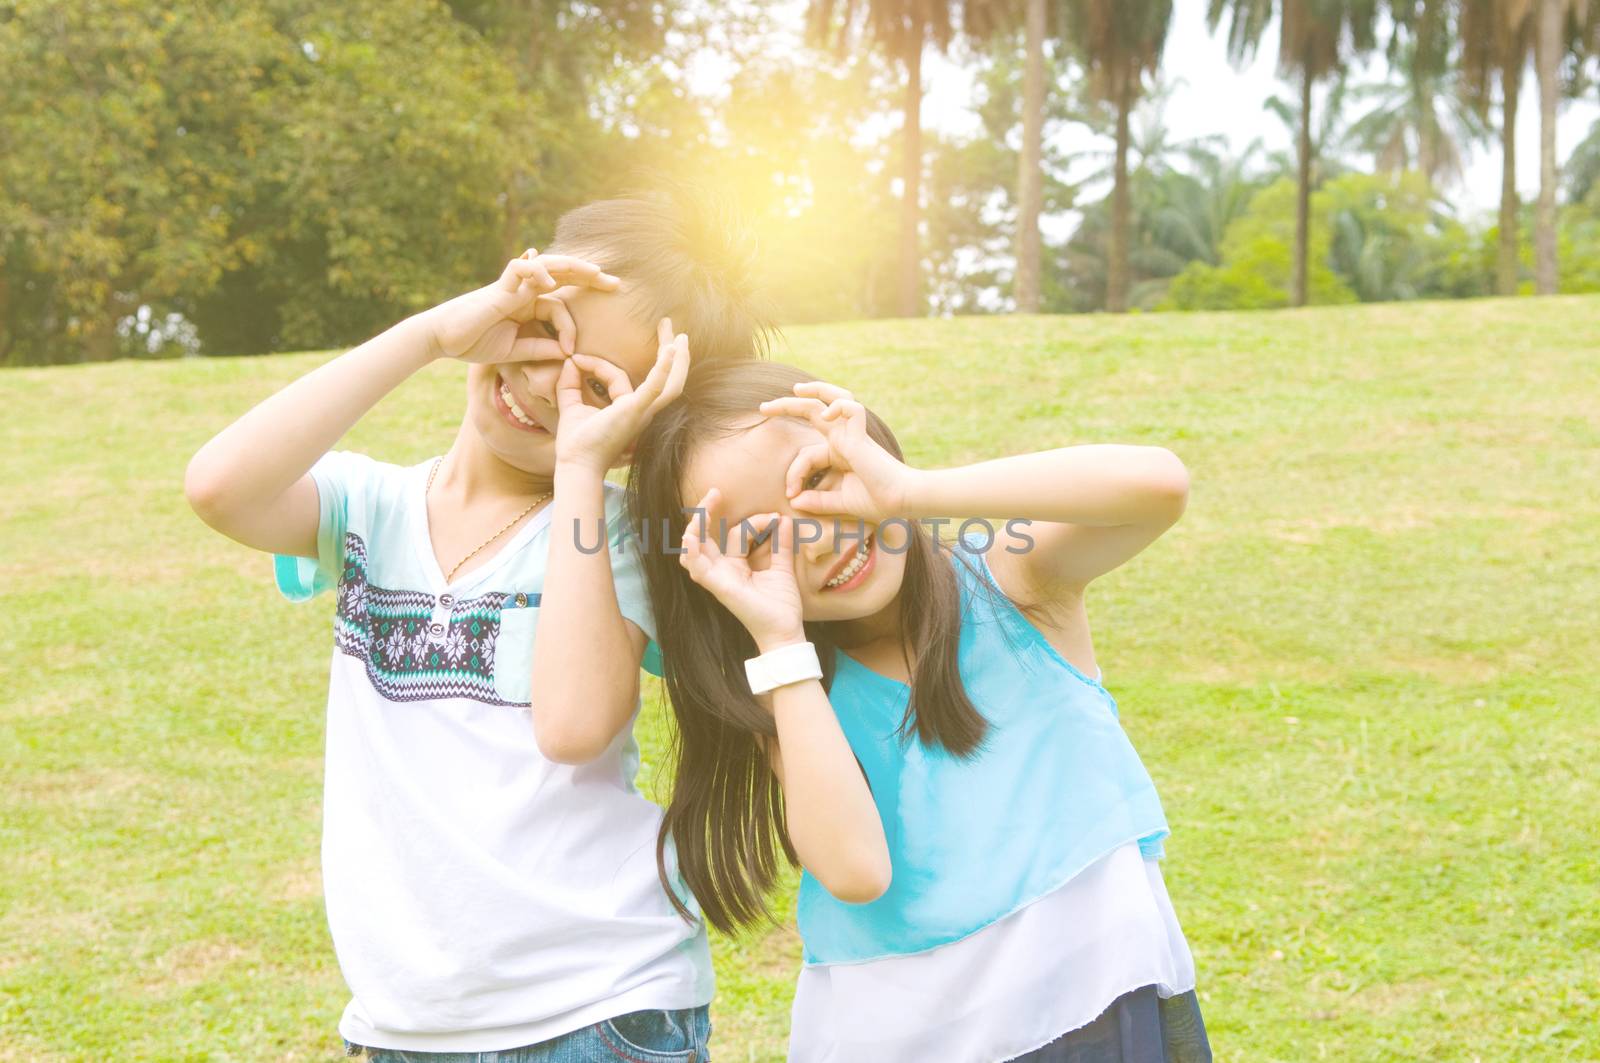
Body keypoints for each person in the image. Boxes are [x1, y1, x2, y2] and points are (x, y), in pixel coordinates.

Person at [184, 195, 767, 1060]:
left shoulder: (608, 537)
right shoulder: (368, 507)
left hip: (598, 1011)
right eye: (542, 328)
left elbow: (573, 728)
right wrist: (432, 335)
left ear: (639, 429)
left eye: (594, 384)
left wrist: (582, 461)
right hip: (404, 1027)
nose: (541, 380)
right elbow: (218, 486)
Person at [627, 360, 1211, 1062]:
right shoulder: (792, 689)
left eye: (817, 479)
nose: (819, 537)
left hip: (1100, 1001)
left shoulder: (1014, 584)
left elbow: (1158, 486)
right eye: (759, 539)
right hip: (902, 1036)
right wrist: (779, 638)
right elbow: (854, 869)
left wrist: (909, 490)